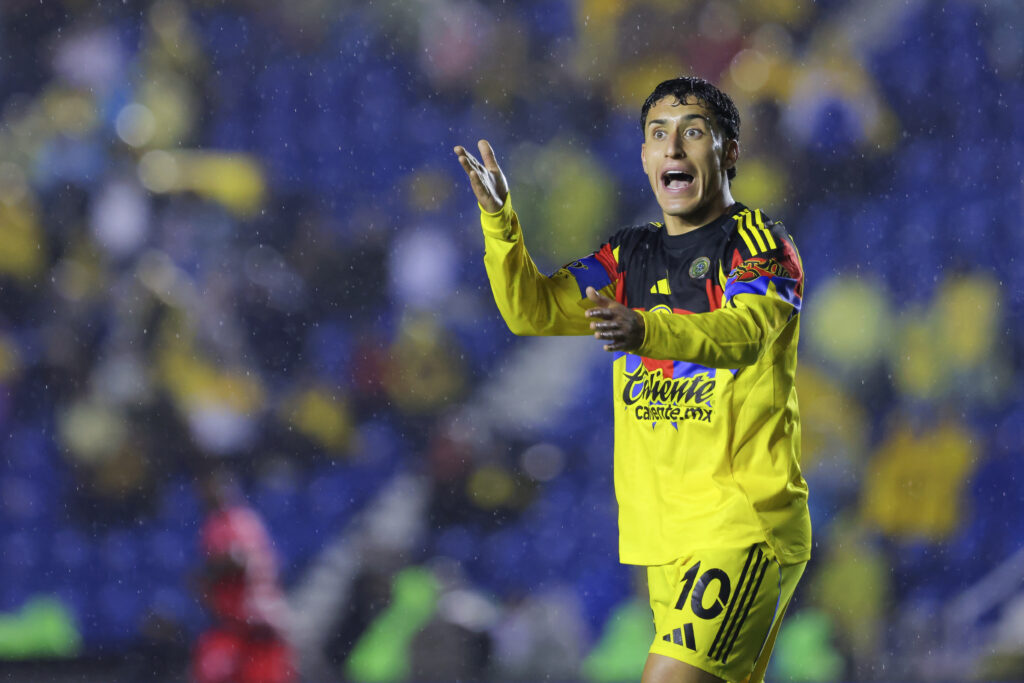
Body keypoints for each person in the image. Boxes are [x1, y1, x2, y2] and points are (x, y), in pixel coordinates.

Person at [454, 76, 810, 683]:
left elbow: (745, 335)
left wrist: (646, 330)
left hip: (740, 524)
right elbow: (533, 311)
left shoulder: (759, 245)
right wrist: (500, 225)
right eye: (658, 133)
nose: (673, 147)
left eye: (692, 132)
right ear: (645, 157)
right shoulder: (627, 255)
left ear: (728, 152)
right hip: (663, 542)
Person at [192, 466, 297, 683]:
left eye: (216, 487)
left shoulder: (240, 519)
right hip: (231, 625)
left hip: (258, 625)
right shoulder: (212, 523)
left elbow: (240, 560)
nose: (210, 494)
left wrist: (210, 572)